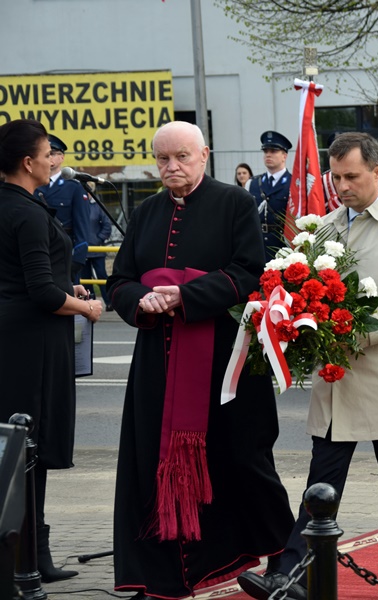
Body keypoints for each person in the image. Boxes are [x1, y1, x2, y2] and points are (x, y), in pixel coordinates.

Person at [238, 132, 378, 600]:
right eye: (336, 177)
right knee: (320, 481)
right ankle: (291, 574)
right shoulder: (323, 226)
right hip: (336, 378)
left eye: (352, 176)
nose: (343, 186)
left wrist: (353, 330)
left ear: (377, 172)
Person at [106, 121, 295, 600]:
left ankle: (284, 557)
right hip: (158, 362)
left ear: (204, 155)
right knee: (152, 461)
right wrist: (141, 301)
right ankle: (160, 574)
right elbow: (120, 281)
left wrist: (184, 295)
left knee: (243, 458)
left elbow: (248, 272)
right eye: (163, 159)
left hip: (224, 361)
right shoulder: (147, 211)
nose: (171, 167)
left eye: (181, 157)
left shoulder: (235, 203)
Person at [0, 119, 103, 583]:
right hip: (34, 346)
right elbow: (42, 292)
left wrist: (67, 286)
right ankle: (26, 563)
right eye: (46, 153)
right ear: (28, 162)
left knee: (18, 454)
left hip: (15, 341)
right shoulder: (25, 212)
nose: (51, 160)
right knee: (30, 451)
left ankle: (29, 558)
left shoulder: (13, 205)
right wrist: (87, 307)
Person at [35, 134, 91, 282]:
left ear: (62, 157)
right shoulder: (34, 185)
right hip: (38, 251)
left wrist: (76, 261)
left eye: (53, 153)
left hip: (64, 254)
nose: (50, 158)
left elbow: (82, 227)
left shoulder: (74, 187)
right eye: (46, 154)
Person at [247, 130, 293, 260]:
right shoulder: (254, 183)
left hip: (283, 247)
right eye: (265, 151)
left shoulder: (294, 184)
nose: (268, 155)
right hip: (258, 245)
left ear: (284, 155)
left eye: (273, 151)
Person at [81, 191, 113, 309]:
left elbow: (107, 225)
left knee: (102, 276)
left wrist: (98, 239)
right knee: (85, 278)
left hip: (97, 249)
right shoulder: (78, 205)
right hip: (82, 249)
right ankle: (89, 303)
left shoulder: (98, 206)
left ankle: (109, 302)